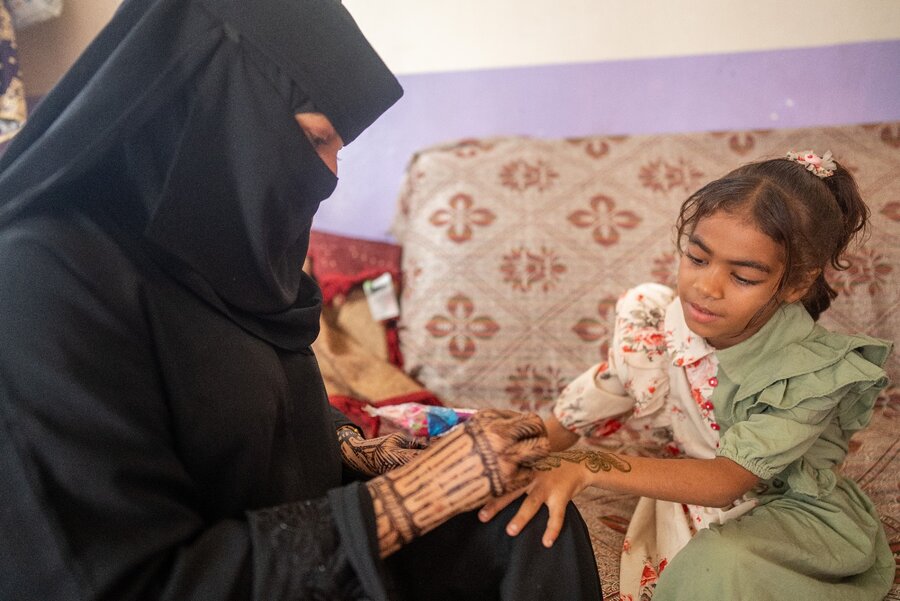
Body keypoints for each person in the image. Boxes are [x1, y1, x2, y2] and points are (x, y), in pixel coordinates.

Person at [0, 0, 603, 599]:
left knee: (526, 519)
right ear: (211, 106)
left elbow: (256, 417)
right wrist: (415, 498)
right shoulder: (41, 279)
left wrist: (360, 449)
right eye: (315, 138)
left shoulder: (223, 259)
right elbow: (132, 579)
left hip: (282, 560)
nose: (330, 174)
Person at [478, 150, 895, 599]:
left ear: (795, 283)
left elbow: (725, 482)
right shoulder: (659, 321)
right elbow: (590, 405)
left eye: (743, 277)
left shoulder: (810, 373)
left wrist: (585, 467)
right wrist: (515, 454)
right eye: (698, 258)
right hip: (688, 497)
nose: (706, 287)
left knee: (723, 563)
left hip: (781, 512)